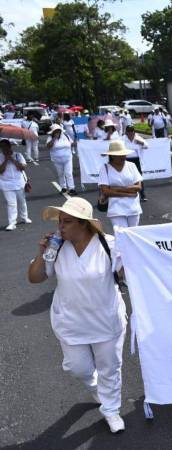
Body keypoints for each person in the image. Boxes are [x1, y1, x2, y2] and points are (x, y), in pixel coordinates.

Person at [27, 197, 127, 433]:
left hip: (106, 320)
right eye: (60, 221)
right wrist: (42, 253)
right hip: (71, 322)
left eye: (67, 222)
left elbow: (126, 273)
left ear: (83, 223)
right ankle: (96, 387)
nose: (60, 226)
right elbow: (35, 278)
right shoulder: (57, 246)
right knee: (77, 368)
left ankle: (111, 410)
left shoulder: (108, 244)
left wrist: (133, 257)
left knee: (110, 368)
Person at [98, 141, 143, 229]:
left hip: (133, 208)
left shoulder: (132, 165)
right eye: (119, 155)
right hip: (116, 209)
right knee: (122, 236)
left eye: (123, 154)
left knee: (133, 235)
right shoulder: (105, 168)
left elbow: (138, 187)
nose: (123, 157)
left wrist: (115, 189)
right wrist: (128, 193)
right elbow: (105, 191)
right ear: (112, 155)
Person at [0, 139, 31, 230]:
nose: (3, 149)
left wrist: (12, 159)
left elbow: (22, 167)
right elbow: (0, 171)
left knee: (22, 201)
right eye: (1, 147)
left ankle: (24, 217)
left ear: (9, 147)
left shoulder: (18, 155)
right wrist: (6, 160)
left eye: (5, 147)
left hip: (19, 182)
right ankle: (12, 223)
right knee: (11, 203)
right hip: (6, 184)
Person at [46, 124, 76, 195]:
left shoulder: (65, 136)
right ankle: (63, 187)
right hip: (57, 160)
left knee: (68, 173)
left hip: (67, 158)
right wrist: (54, 139)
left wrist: (79, 143)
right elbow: (48, 146)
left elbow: (71, 143)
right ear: (53, 132)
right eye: (56, 131)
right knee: (60, 174)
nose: (57, 132)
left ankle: (71, 188)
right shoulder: (50, 138)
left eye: (58, 131)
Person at [123, 125, 148, 201]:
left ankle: (142, 195)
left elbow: (147, 146)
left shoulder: (137, 138)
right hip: (126, 160)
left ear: (134, 132)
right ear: (126, 133)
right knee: (126, 177)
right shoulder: (122, 139)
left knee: (139, 177)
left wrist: (141, 143)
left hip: (136, 160)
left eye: (132, 132)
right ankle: (127, 193)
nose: (130, 134)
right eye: (129, 132)